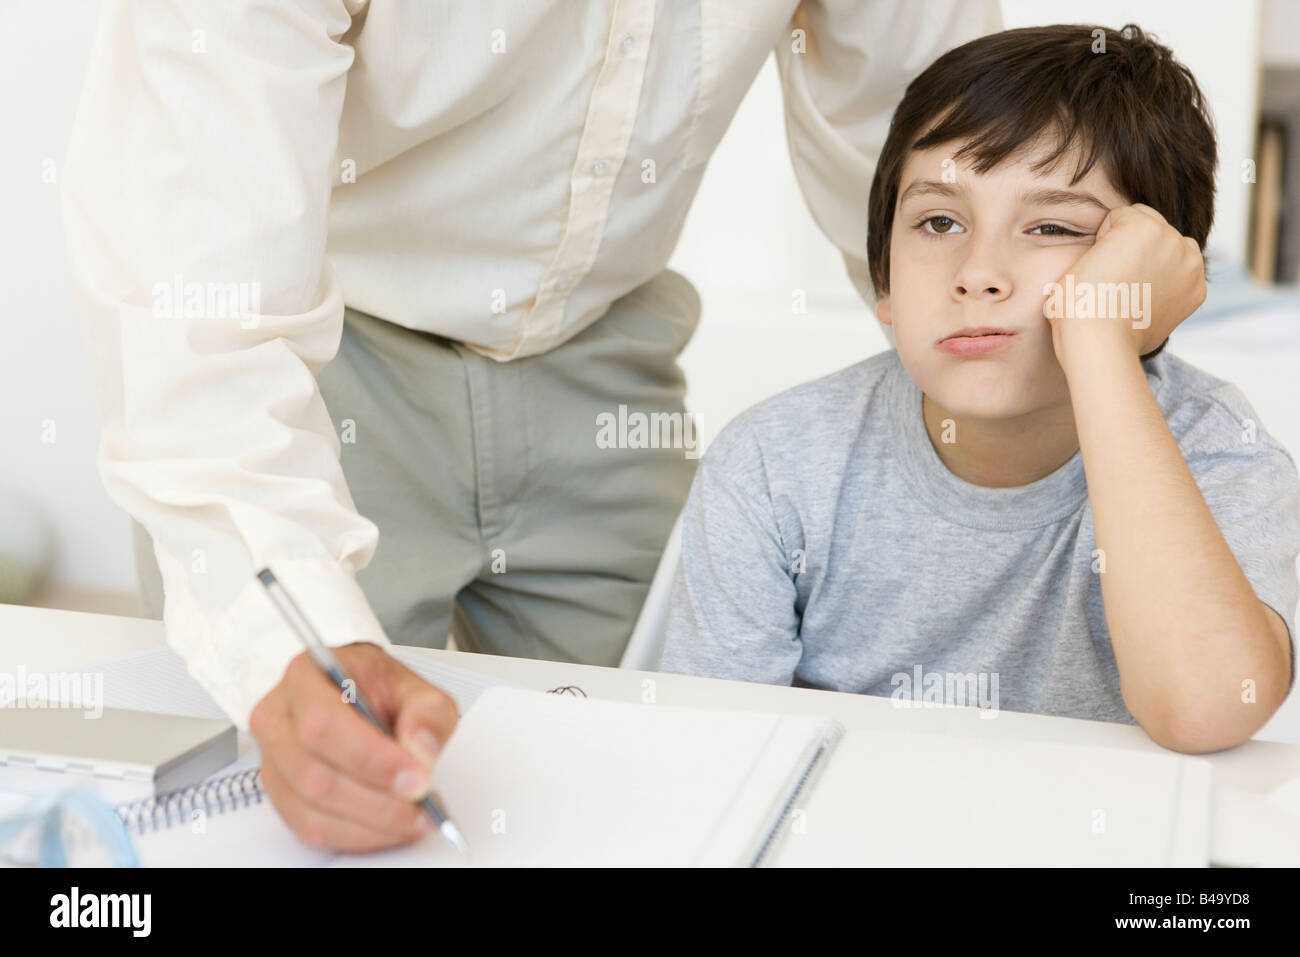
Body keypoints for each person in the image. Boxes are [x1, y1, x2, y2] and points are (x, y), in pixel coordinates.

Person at [62, 0, 1016, 852]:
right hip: (319, 370)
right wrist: (288, 642)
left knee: (675, 782)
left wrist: (1076, 371)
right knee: (326, 793)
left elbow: (939, 146)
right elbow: (192, 292)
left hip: (606, 355)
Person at [658, 23, 1300, 754]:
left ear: (1150, 276)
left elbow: (1207, 708)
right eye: (939, 221)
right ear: (885, 283)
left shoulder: (1220, 450)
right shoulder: (774, 464)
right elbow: (711, 765)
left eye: (1052, 226)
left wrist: (1100, 337)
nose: (978, 271)